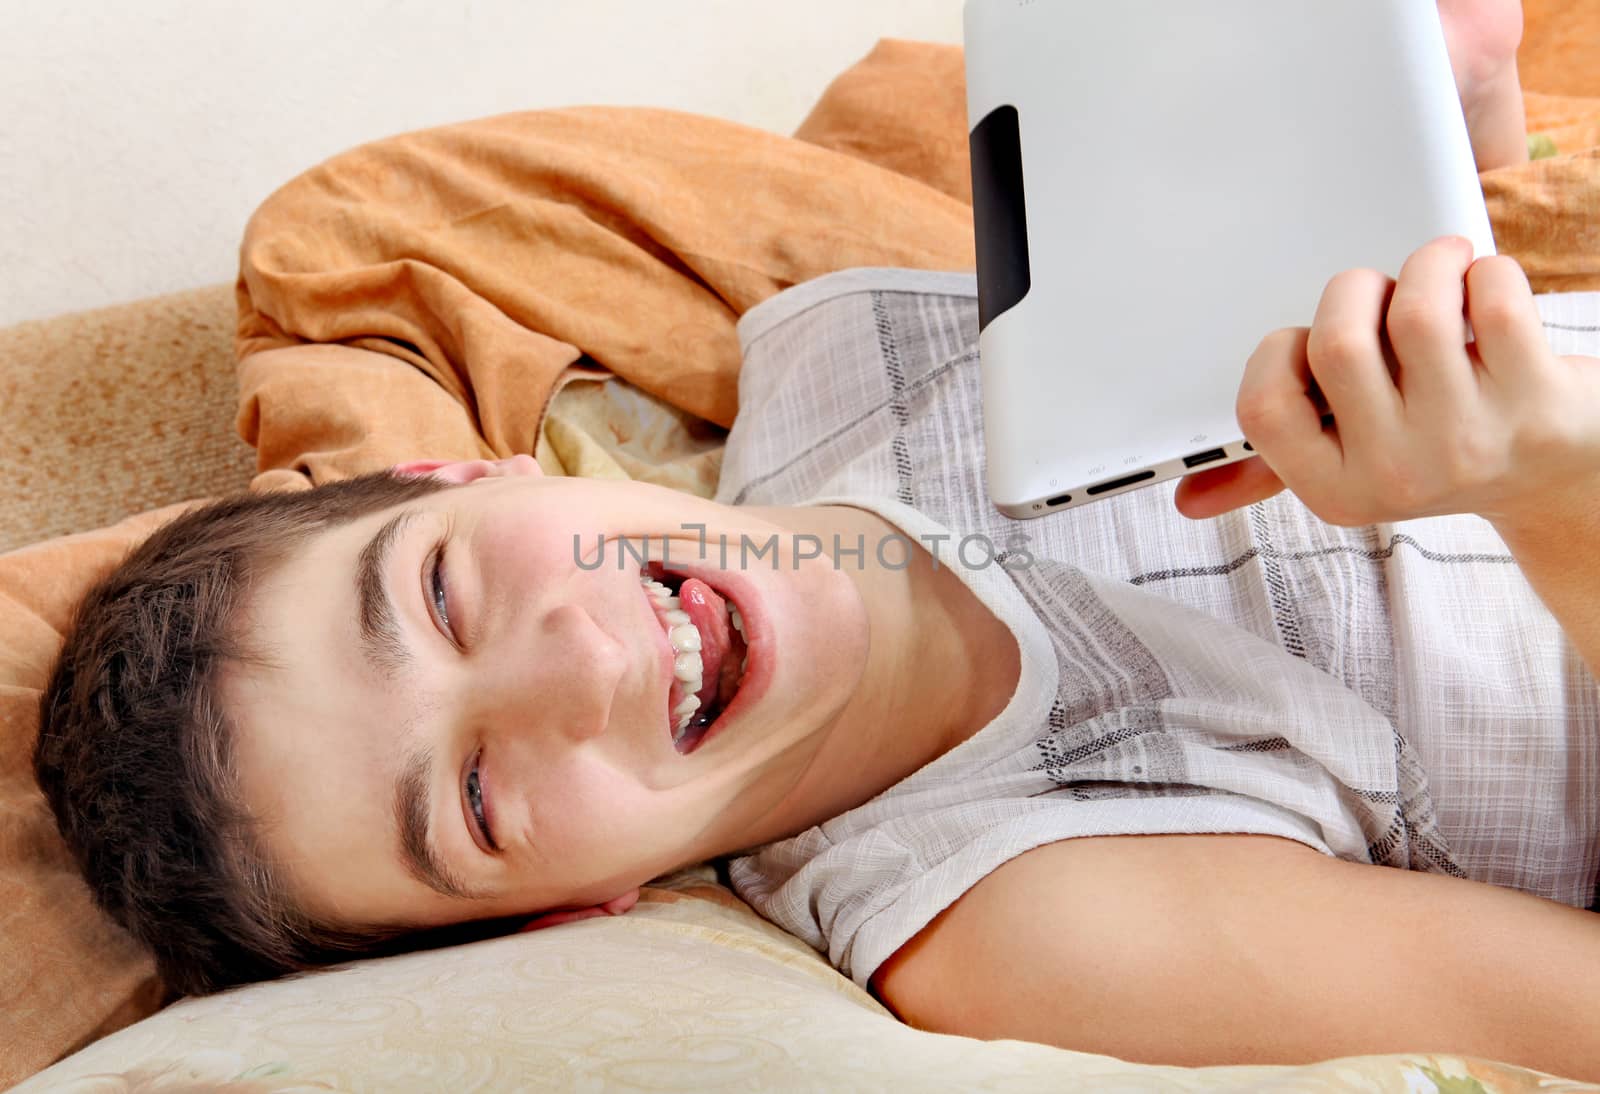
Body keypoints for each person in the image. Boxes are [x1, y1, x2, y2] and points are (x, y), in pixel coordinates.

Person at [32, 0, 1600, 1078]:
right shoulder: (1014, 919)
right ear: (573, 910)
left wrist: (1438, 145)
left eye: (441, 596)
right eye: (483, 795)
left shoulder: (829, 347)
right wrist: (1544, 491)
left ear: (466, 473)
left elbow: (356, 230)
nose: (575, 660)